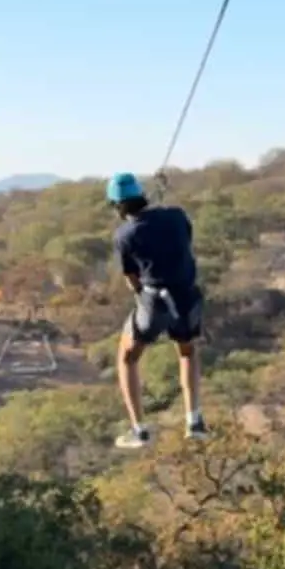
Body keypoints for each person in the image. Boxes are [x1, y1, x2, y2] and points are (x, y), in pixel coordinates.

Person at [106, 171, 208, 448]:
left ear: (116, 206)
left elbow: (132, 279)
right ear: (142, 195)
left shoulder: (124, 235)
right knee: (187, 352)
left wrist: (141, 295)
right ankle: (194, 421)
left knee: (127, 356)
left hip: (155, 300)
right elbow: (182, 239)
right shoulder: (176, 216)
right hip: (186, 296)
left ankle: (139, 430)